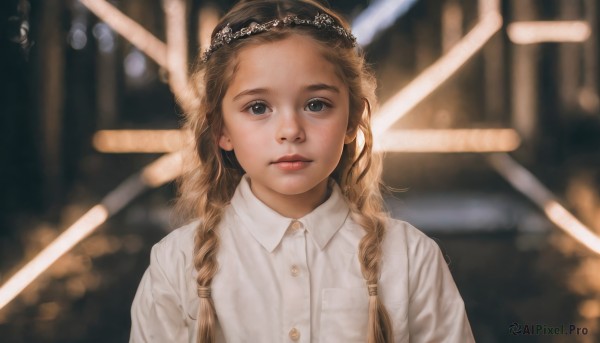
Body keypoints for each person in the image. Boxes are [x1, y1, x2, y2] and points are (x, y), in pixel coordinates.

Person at [130, 0, 475, 342]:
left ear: (353, 119)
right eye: (258, 107)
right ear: (221, 128)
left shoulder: (411, 259)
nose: (290, 130)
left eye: (316, 105)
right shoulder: (175, 265)